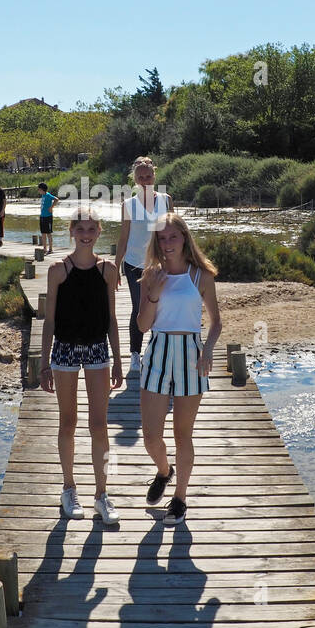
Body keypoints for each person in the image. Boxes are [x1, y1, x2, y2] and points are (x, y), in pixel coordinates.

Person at [40, 207, 124, 523]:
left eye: (91, 229)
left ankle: (102, 495)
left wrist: (118, 360)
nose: (86, 235)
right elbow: (49, 321)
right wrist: (46, 364)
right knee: (68, 422)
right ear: (72, 231)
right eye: (81, 229)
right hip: (64, 351)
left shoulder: (108, 270)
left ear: (99, 232)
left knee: (99, 425)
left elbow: (113, 319)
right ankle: (68, 488)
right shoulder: (58, 270)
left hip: (98, 351)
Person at [137, 212, 220, 526]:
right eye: (161, 237)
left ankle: (180, 499)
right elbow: (143, 326)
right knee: (150, 437)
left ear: (185, 237)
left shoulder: (202, 276)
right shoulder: (151, 275)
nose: (167, 243)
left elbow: (216, 323)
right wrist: (154, 293)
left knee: (183, 434)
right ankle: (163, 470)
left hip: (190, 355)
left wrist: (208, 351)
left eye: (173, 236)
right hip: (158, 351)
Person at [114, 157, 172, 375]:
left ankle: (155, 352)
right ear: (135, 179)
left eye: (148, 176)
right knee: (139, 308)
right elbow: (123, 238)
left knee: (161, 308)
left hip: (161, 265)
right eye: (141, 177)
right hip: (134, 265)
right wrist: (116, 266)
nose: (145, 180)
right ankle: (135, 355)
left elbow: (174, 234)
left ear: (154, 176)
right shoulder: (128, 205)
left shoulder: (166, 200)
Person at [37, 181, 57, 254]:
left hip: (48, 217)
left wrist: (51, 207)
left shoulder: (48, 195)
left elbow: (56, 199)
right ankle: (44, 248)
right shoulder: (43, 196)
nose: (38, 191)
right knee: (43, 233)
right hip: (42, 216)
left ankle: (50, 249)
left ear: (42, 189)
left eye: (39, 189)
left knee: (49, 233)